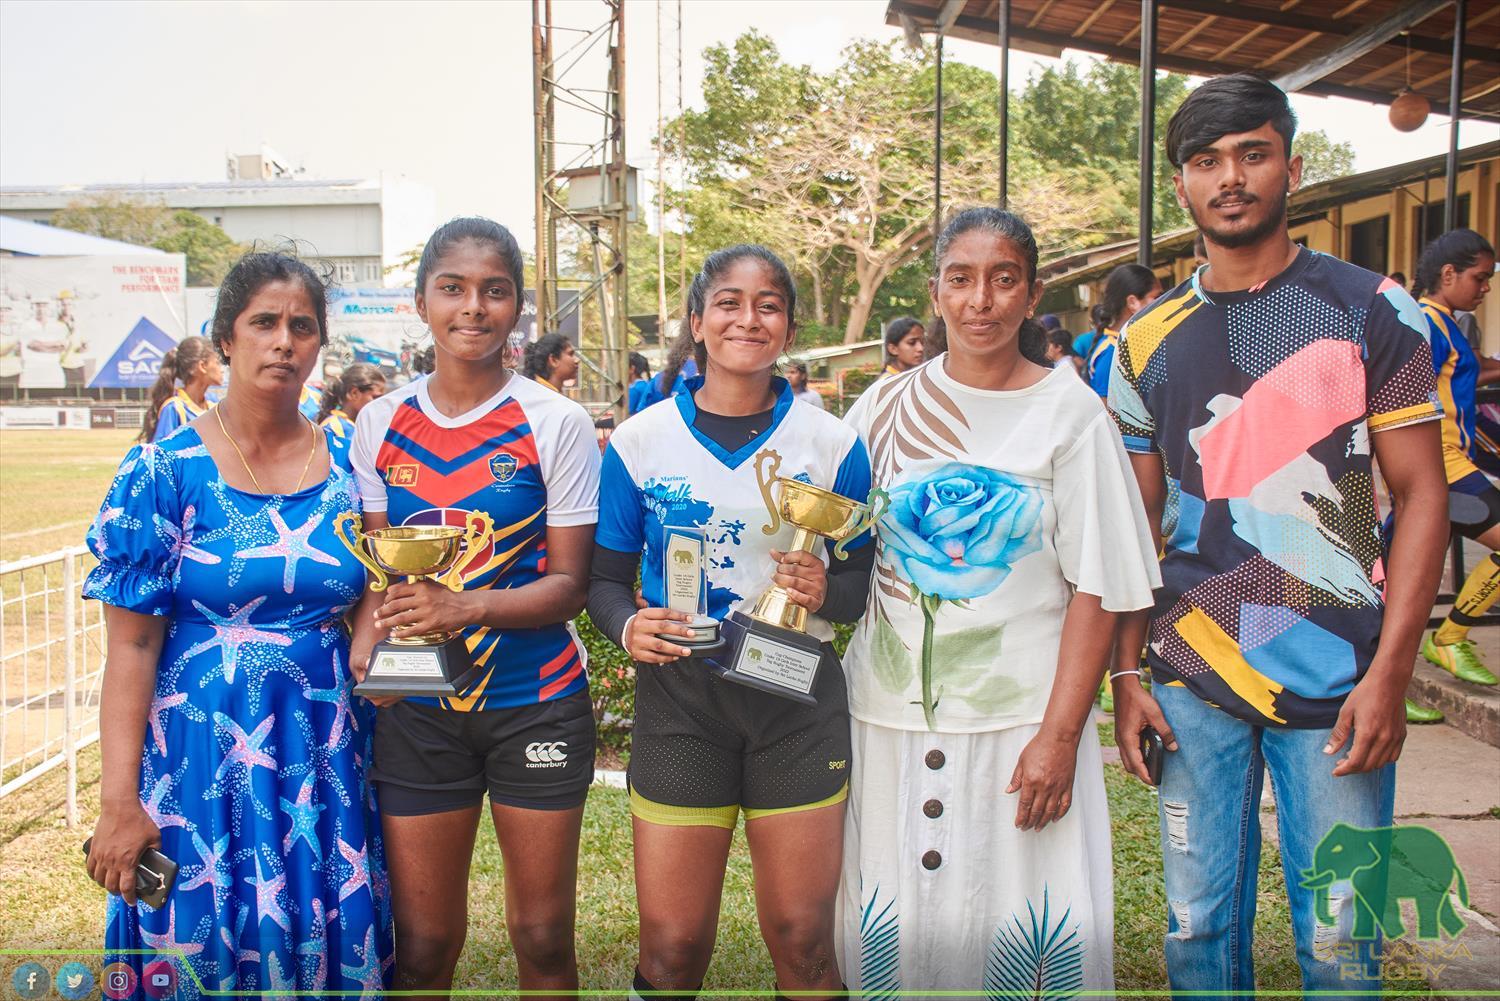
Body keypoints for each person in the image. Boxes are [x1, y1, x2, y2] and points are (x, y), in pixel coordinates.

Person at [1107, 74, 1449, 997]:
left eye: (1253, 154)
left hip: (1340, 678)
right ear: (1180, 184)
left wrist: (1391, 675)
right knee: (1195, 928)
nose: (1230, 177)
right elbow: (1135, 523)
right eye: (1206, 161)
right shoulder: (1143, 343)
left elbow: (1422, 497)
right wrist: (1126, 676)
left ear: (1292, 167)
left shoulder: (1372, 309)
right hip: (1190, 673)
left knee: (1344, 944)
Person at [837, 207, 1159, 995]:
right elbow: (840, 551)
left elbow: (1097, 584)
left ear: (1031, 292)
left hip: (1023, 722)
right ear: (937, 292)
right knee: (898, 927)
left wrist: (1059, 734)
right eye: (962, 278)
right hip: (888, 714)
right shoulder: (881, 408)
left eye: (1003, 279)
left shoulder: (1072, 412)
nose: (981, 299)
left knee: (1021, 925)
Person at [83, 251, 392, 997]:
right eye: (264, 323)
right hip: (194, 762)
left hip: (321, 755)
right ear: (226, 338)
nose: (284, 341)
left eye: (302, 326)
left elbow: (380, 584)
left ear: (320, 345)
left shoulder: (355, 459)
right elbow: (129, 645)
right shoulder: (163, 470)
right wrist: (118, 802)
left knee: (318, 942)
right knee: (196, 949)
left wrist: (371, 627)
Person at [588, 244, 873, 1000]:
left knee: (803, 939)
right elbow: (605, 581)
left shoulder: (833, 444)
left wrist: (823, 588)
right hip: (683, 701)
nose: (749, 317)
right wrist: (626, 628)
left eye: (769, 304)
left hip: (798, 703)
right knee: (673, 947)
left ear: (787, 326)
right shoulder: (641, 441)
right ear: (697, 321)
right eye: (729, 302)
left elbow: (860, 588)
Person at [348, 218, 601, 998]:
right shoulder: (379, 422)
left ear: (517, 306)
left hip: (538, 702)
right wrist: (369, 643)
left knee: (542, 935)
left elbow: (570, 586)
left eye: (495, 291)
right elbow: (380, 581)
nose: (473, 307)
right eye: (452, 288)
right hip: (419, 709)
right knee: (423, 942)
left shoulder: (555, 421)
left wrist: (467, 606)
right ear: (422, 301)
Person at [1412, 229, 1500, 684]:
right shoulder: (1426, 322)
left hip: (1451, 459)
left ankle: (1438, 646)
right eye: (1479, 278)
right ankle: (1448, 639)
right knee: (1400, 580)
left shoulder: (1446, 321)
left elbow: (1472, 375)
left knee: (1410, 580)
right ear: (1449, 274)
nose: (1485, 288)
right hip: (1438, 464)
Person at [1086, 263, 1161, 398]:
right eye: (1157, 297)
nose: (1164, 303)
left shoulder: (1131, 344)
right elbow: (1108, 412)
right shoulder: (1111, 352)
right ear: (1132, 302)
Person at [141, 335, 223, 442]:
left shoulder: (214, 404)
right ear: (202, 366)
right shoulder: (174, 408)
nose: (222, 369)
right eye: (217, 363)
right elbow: (161, 454)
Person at [317, 362, 388, 440]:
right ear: (354, 393)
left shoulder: (365, 427)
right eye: (376, 397)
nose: (381, 404)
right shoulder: (333, 429)